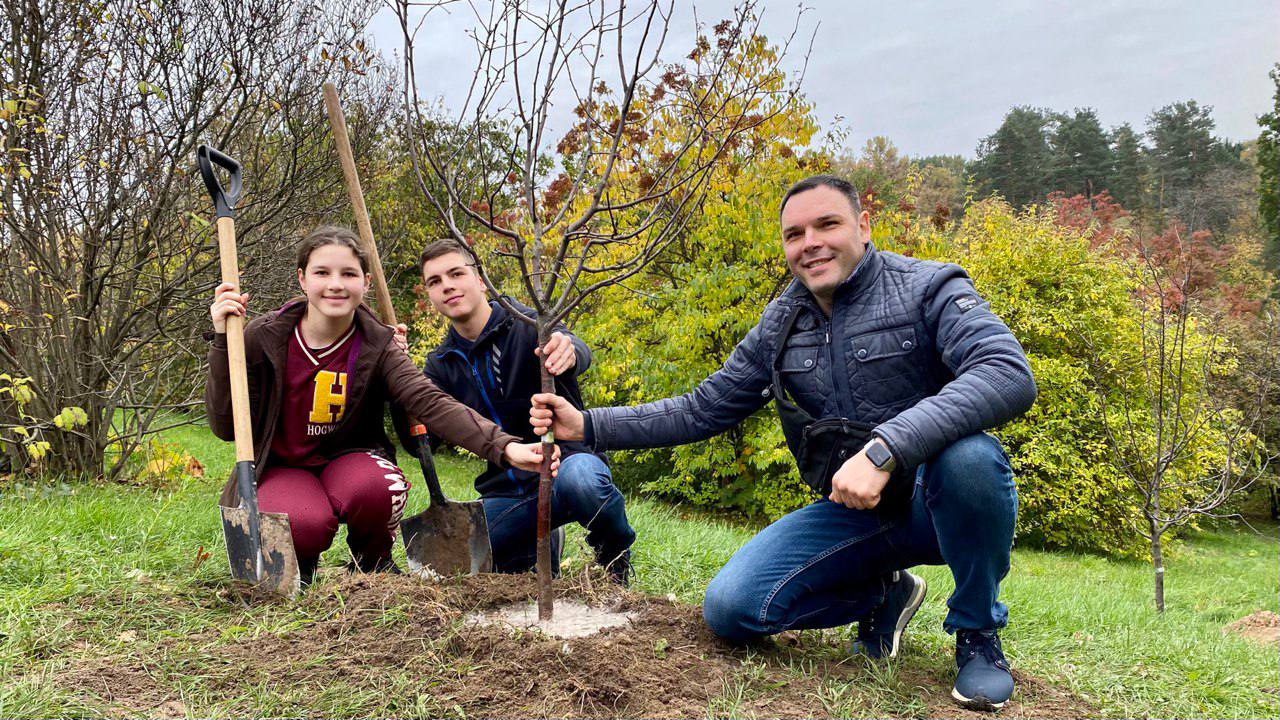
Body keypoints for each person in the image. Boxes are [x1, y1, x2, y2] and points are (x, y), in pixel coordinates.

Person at [531, 175, 1036, 711]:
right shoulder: (781, 322)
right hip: (854, 514)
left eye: (827, 224)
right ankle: (883, 593)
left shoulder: (929, 287)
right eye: (794, 234)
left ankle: (978, 634)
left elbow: (1005, 373)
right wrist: (586, 425)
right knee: (732, 609)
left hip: (939, 508)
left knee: (971, 459)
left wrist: (885, 450)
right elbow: (702, 408)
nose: (810, 243)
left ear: (863, 226)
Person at [205, 226, 555, 585]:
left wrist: (505, 447)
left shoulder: (378, 344)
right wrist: (222, 341)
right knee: (306, 523)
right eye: (322, 273)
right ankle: (302, 567)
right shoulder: (263, 337)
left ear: (366, 282)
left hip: (349, 461)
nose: (336, 285)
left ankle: (372, 564)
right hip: (282, 467)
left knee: (380, 488)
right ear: (302, 279)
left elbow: (429, 401)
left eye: (348, 274)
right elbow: (226, 426)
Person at [407, 239, 635, 583]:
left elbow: (574, 347)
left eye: (456, 273)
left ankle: (614, 559)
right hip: (506, 491)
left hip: (566, 468)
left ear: (480, 280)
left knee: (585, 483)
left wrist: (570, 351)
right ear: (430, 294)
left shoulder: (528, 324)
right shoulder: (440, 365)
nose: (447, 286)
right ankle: (539, 546)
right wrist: (400, 379)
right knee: (466, 562)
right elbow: (421, 444)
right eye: (434, 281)